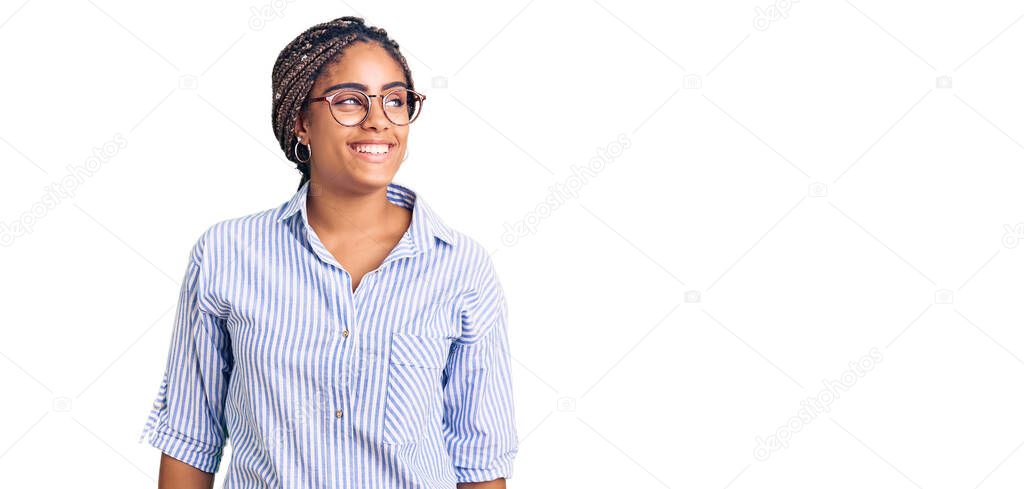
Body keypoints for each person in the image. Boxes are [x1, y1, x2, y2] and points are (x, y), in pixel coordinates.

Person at [138, 16, 518, 488]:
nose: (378, 118)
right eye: (350, 101)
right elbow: (189, 438)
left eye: (395, 100)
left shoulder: (462, 268)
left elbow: (479, 460)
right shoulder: (226, 255)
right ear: (301, 123)